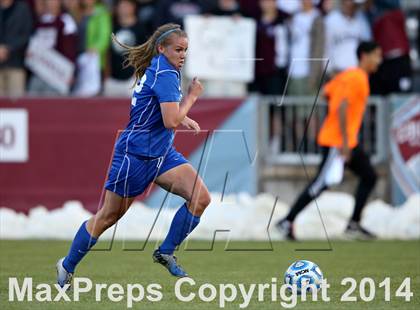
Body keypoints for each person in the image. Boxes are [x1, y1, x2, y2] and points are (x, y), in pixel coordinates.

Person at [56, 23, 211, 287]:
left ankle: (165, 251)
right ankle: (66, 266)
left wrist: (182, 116)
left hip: (160, 154)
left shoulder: (163, 68)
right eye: (178, 49)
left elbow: (159, 109)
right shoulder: (166, 73)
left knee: (200, 198)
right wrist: (193, 97)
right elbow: (170, 119)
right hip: (136, 155)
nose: (183, 54)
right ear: (162, 48)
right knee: (108, 216)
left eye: (186, 50)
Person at [276, 41, 382, 240]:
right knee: (320, 184)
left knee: (369, 176)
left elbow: (327, 92)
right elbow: (342, 106)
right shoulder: (357, 77)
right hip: (338, 141)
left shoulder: (346, 75)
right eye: (377, 55)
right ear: (364, 56)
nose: (379, 60)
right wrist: (342, 140)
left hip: (346, 141)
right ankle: (287, 221)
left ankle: (354, 223)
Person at [104, 0, 147, 96]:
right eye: (121, 5)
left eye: (127, 5)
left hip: (132, 80)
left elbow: (144, 55)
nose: (124, 9)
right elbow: (107, 52)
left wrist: (136, 76)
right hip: (112, 80)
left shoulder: (141, 29)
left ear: (133, 7)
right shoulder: (111, 26)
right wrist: (106, 76)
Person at [0, 0, 33, 97]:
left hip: (16, 64)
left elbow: (27, 35)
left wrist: (8, 48)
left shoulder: (22, 9)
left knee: (16, 103)